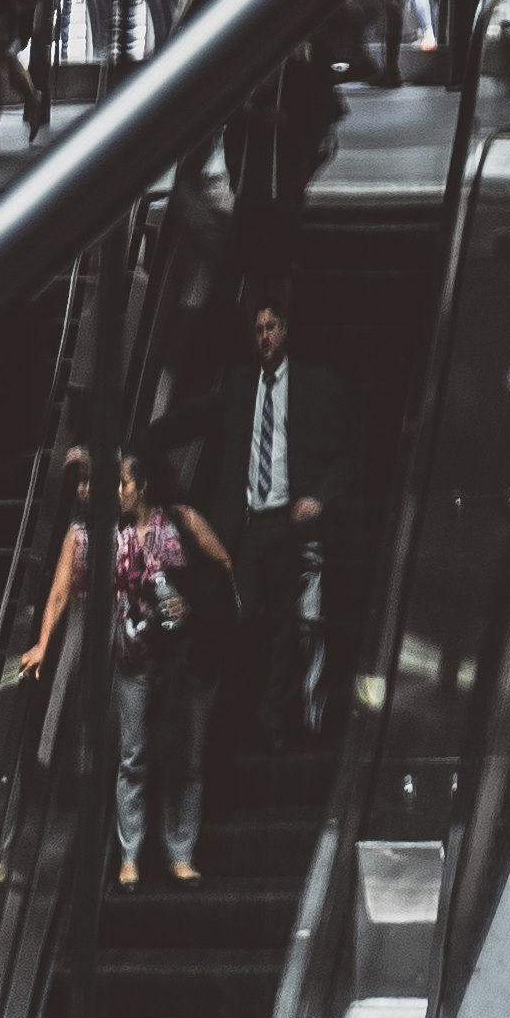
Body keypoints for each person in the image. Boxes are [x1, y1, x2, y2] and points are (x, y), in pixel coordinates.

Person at [18, 439, 230, 883]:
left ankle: (180, 853)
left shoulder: (179, 521)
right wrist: (42, 643)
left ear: (142, 485)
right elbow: (58, 591)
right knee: (133, 756)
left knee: (186, 757)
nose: (115, 491)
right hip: (132, 660)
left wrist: (207, 613)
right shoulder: (92, 535)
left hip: (185, 659)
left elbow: (223, 566)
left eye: (123, 482)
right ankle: (130, 855)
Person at [196, 288, 352, 747]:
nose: (264, 336)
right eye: (258, 329)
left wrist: (319, 499)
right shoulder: (242, 386)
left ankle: (272, 721)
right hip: (248, 524)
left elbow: (348, 457)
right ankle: (239, 710)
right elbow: (197, 418)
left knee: (287, 625)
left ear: (286, 330)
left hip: (288, 522)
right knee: (241, 615)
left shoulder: (314, 386)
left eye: (272, 327)